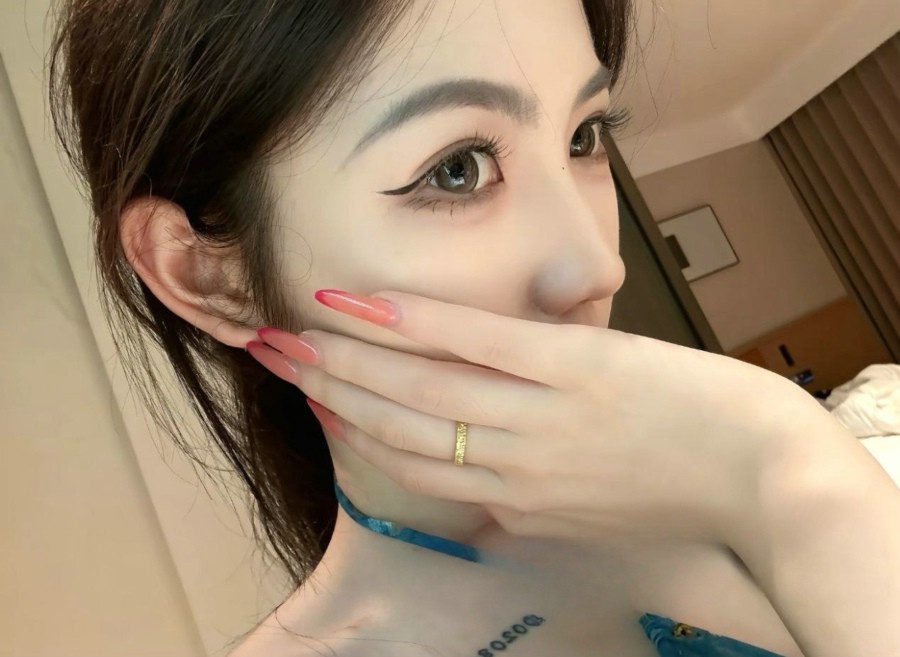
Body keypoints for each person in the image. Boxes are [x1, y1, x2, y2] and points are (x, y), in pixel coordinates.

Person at [48, 1, 900, 656]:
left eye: (584, 135)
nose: (597, 267)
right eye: (457, 169)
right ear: (210, 276)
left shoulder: (748, 485)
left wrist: (784, 468)